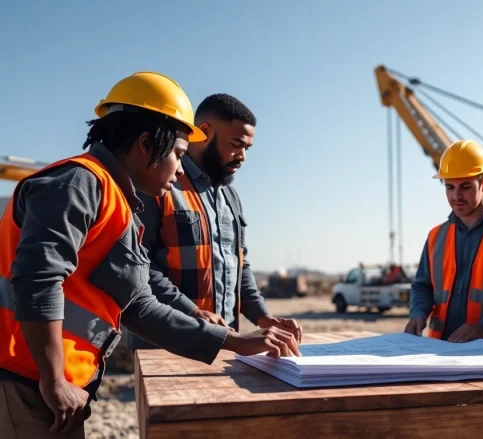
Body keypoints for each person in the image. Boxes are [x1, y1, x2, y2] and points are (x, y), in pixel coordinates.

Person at [0, 72, 300, 439]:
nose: (179, 168)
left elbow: (139, 305)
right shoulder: (78, 183)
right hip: (25, 382)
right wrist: (53, 379)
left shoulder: (118, 202)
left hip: (52, 388)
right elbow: (38, 278)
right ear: (146, 144)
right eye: (176, 154)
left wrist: (234, 341)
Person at [125, 93, 303, 354]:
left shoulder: (230, 197)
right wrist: (192, 312)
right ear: (204, 131)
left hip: (225, 344)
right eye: (236, 144)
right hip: (164, 347)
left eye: (247, 148)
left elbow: (239, 266)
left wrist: (263, 317)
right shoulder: (158, 182)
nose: (242, 156)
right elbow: (138, 268)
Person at [404, 140, 483, 342]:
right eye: (449, 187)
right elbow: (422, 285)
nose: (456, 196)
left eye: (465, 187)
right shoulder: (436, 236)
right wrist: (417, 314)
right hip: (439, 348)